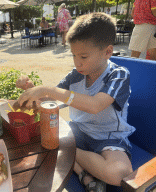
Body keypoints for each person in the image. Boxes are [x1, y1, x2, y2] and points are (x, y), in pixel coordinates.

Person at [16, 12, 135, 192]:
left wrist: (48, 89)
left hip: (108, 137)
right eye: (74, 55)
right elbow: (49, 101)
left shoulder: (118, 75)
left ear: (107, 52)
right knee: (45, 138)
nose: (77, 63)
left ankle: (72, 158)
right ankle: (85, 175)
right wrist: (31, 89)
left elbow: (95, 105)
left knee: (118, 173)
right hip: (78, 131)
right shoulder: (75, 75)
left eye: (84, 57)